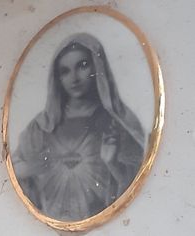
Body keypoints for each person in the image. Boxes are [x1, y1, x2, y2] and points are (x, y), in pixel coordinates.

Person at [13, 33, 145, 221]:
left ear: (97, 67)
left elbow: (140, 186)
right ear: (57, 78)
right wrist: (25, 171)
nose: (74, 78)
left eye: (82, 65)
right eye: (65, 71)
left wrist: (112, 163)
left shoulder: (118, 123)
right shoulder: (41, 126)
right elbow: (16, 172)